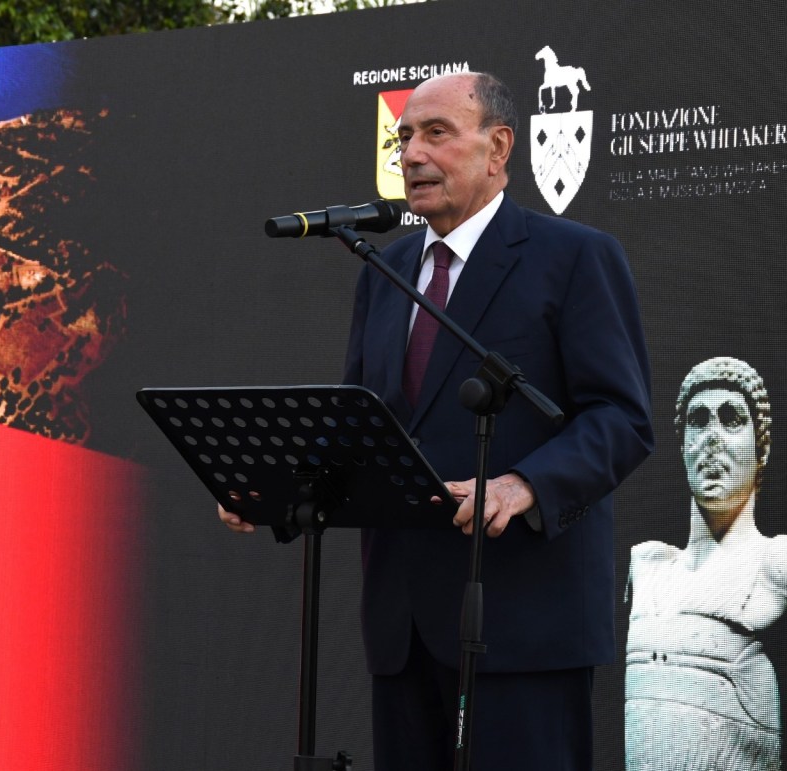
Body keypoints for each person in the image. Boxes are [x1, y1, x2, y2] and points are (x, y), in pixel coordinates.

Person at [220, 71, 653, 770]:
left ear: (498, 146)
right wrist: (273, 490)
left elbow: (622, 418)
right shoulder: (385, 268)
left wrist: (523, 485)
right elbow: (362, 424)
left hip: (523, 620)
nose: (412, 153)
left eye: (436, 133)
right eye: (404, 137)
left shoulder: (573, 257)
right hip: (405, 623)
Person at [626, 357, 787, 771]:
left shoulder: (777, 563)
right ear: (683, 445)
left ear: (762, 449)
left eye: (732, 419)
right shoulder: (648, 566)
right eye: (698, 422)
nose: (711, 438)